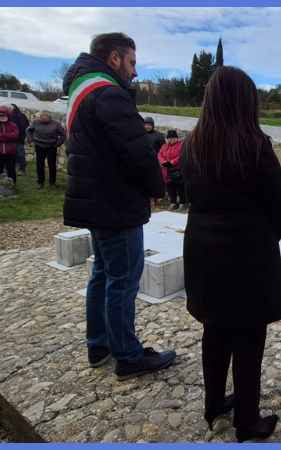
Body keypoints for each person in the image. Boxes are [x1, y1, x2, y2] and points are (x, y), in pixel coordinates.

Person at [180, 66, 281, 443]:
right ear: (247, 102)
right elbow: (280, 206)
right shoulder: (256, 145)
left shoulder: (190, 144)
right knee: (248, 339)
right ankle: (247, 421)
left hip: (203, 251)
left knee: (214, 330)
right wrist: (261, 238)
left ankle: (213, 404)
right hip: (247, 255)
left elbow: (193, 195)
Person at [62, 32, 174, 380]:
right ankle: (127, 355)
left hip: (98, 199)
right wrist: (156, 187)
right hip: (114, 201)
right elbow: (137, 150)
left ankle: (99, 345)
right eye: (132, 62)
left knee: (103, 274)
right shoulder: (108, 92)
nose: (135, 72)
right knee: (123, 280)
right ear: (114, 58)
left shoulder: (83, 88)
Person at [26, 110, 66, 189]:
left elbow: (63, 134)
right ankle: (40, 182)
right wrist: (31, 140)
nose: (41, 117)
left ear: (48, 116)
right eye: (40, 115)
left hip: (51, 146)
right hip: (39, 145)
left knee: (52, 165)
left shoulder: (56, 123)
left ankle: (52, 182)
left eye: (43, 115)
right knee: (39, 164)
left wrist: (57, 144)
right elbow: (28, 130)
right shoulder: (36, 122)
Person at [158, 130, 187, 211]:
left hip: (178, 169)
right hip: (167, 170)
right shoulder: (164, 146)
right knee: (170, 187)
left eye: (174, 138)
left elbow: (181, 155)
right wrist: (163, 162)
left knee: (180, 187)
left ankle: (182, 203)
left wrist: (172, 162)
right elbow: (160, 155)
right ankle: (173, 202)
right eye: (170, 138)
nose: (172, 139)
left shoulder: (181, 145)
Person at [8, 104, 30, 176]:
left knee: (20, 154)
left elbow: (23, 127)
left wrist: (14, 134)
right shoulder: (5, 116)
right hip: (8, 139)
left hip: (18, 139)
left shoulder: (20, 116)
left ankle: (22, 169)